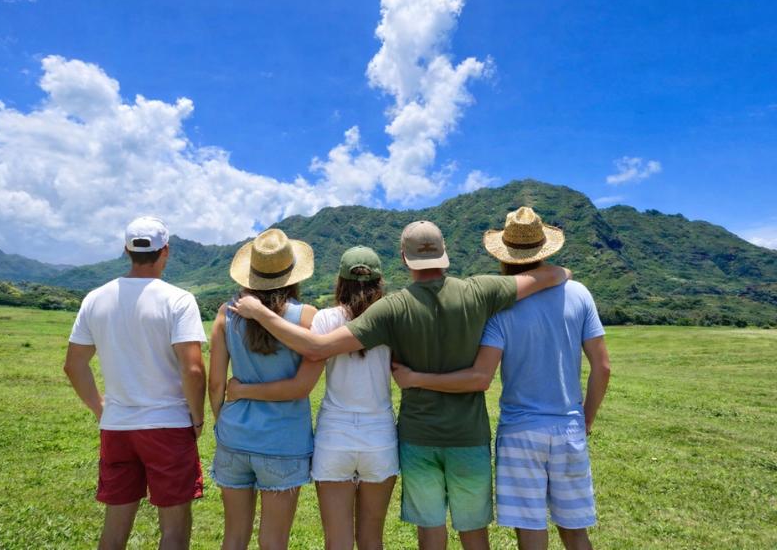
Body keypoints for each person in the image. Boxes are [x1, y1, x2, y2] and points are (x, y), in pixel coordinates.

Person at [228, 220, 571, 550]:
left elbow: (316, 348)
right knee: (452, 533)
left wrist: (260, 313)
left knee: (389, 535)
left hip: (381, 436)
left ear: (405, 258)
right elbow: (552, 275)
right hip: (438, 435)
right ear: (445, 252)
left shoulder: (387, 310)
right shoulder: (478, 290)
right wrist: (561, 273)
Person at [392, 207, 611, 550]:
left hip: (520, 429)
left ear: (505, 254)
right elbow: (603, 366)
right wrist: (586, 419)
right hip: (568, 426)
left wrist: (416, 377)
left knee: (530, 529)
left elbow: (481, 375)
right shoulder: (579, 294)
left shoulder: (500, 308)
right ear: (546, 248)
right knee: (575, 531)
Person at [227, 246, 398, 550]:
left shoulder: (326, 319)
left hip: (335, 436)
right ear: (380, 282)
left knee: (337, 541)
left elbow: (311, 350)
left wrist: (260, 313)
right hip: (380, 436)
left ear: (340, 282)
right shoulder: (394, 319)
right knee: (373, 540)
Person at [64, 216, 207, 550]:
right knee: (173, 531)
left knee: (114, 529)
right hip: (168, 425)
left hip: (117, 427)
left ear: (126, 250)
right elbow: (193, 370)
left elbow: (74, 365)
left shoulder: (95, 299)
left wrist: (101, 409)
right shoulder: (179, 300)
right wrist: (197, 418)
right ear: (166, 251)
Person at [207, 228, 322, 550]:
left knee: (233, 537)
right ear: (293, 274)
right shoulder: (307, 316)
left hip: (234, 435)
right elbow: (300, 388)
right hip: (283, 442)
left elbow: (216, 383)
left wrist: (225, 415)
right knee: (274, 541)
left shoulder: (225, 314)